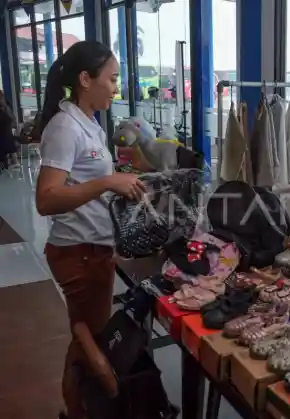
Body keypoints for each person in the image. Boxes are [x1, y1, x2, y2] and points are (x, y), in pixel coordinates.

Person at [35, 40, 145, 419]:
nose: (116, 87)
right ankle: (81, 408)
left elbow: (91, 181)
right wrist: (106, 183)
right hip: (78, 253)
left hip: (92, 249)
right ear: (86, 79)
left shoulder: (90, 123)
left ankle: (78, 408)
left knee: (87, 337)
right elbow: (47, 199)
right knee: (88, 341)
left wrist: (123, 184)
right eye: (112, 79)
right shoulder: (65, 127)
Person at [0, 90, 18, 171]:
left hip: (5, 132)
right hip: (7, 132)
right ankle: (13, 161)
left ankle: (8, 163)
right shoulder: (6, 106)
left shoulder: (5, 108)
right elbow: (12, 120)